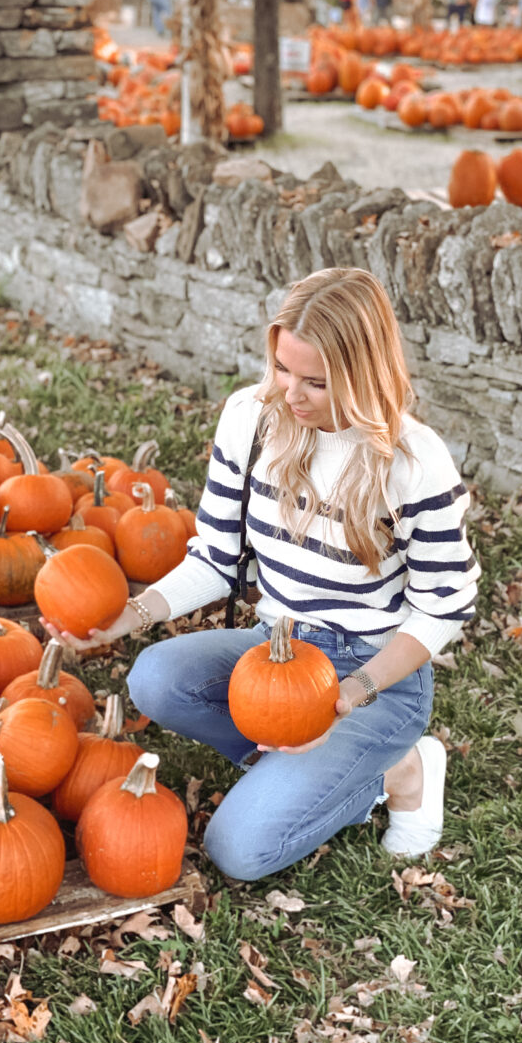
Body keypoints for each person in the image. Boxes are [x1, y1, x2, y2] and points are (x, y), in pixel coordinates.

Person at [41, 268, 480, 882]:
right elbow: (216, 558)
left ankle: (400, 770)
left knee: (240, 852)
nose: (288, 394)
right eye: (280, 368)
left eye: (315, 382)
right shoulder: (251, 419)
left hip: (372, 674)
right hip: (276, 650)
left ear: (362, 376)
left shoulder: (412, 461)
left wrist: (346, 700)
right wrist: (128, 617)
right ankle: (296, 767)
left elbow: (444, 607)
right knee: (158, 679)